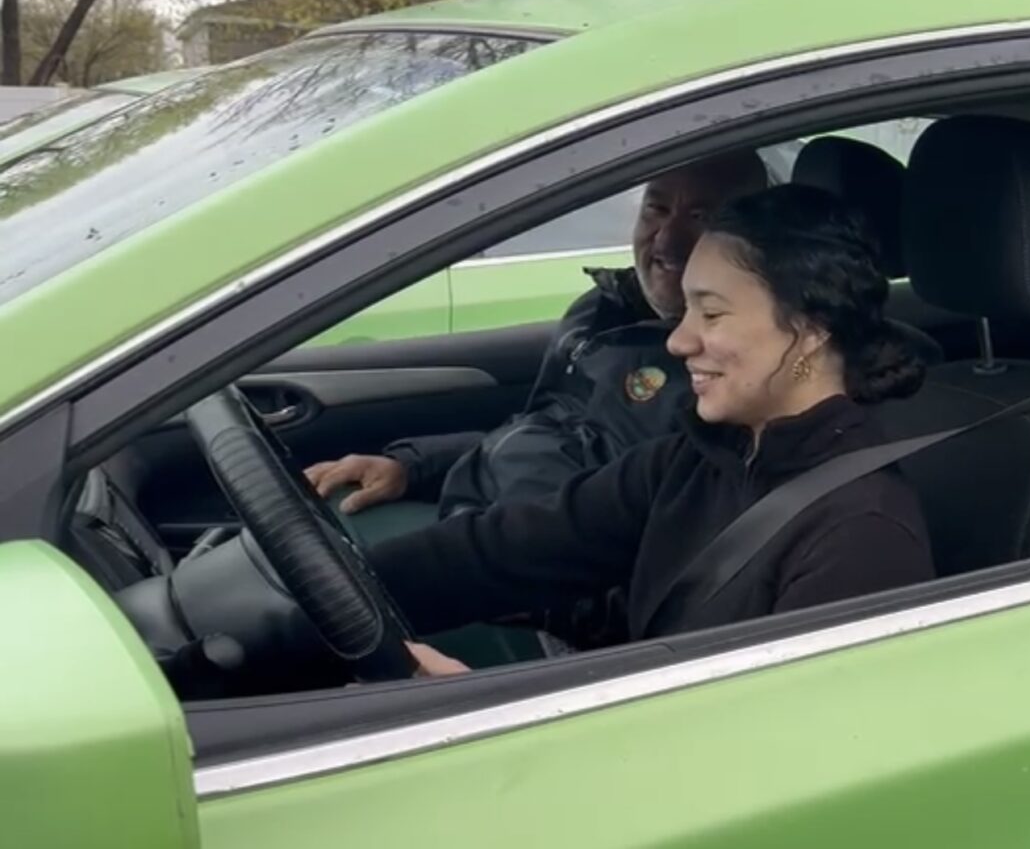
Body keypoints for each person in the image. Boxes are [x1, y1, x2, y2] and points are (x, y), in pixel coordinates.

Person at [365, 184, 938, 674]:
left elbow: (779, 748)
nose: (679, 341)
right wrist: (340, 596)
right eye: (685, 311)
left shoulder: (862, 536)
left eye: (710, 314)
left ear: (811, 329)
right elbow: (502, 551)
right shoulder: (696, 460)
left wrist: (478, 711)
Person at [303, 151, 770, 537]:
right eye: (657, 209)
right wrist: (411, 468)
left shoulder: (729, 369)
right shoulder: (602, 308)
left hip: (533, 571)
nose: (667, 239)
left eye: (701, 217)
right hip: (477, 518)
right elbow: (539, 431)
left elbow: (645, 537)